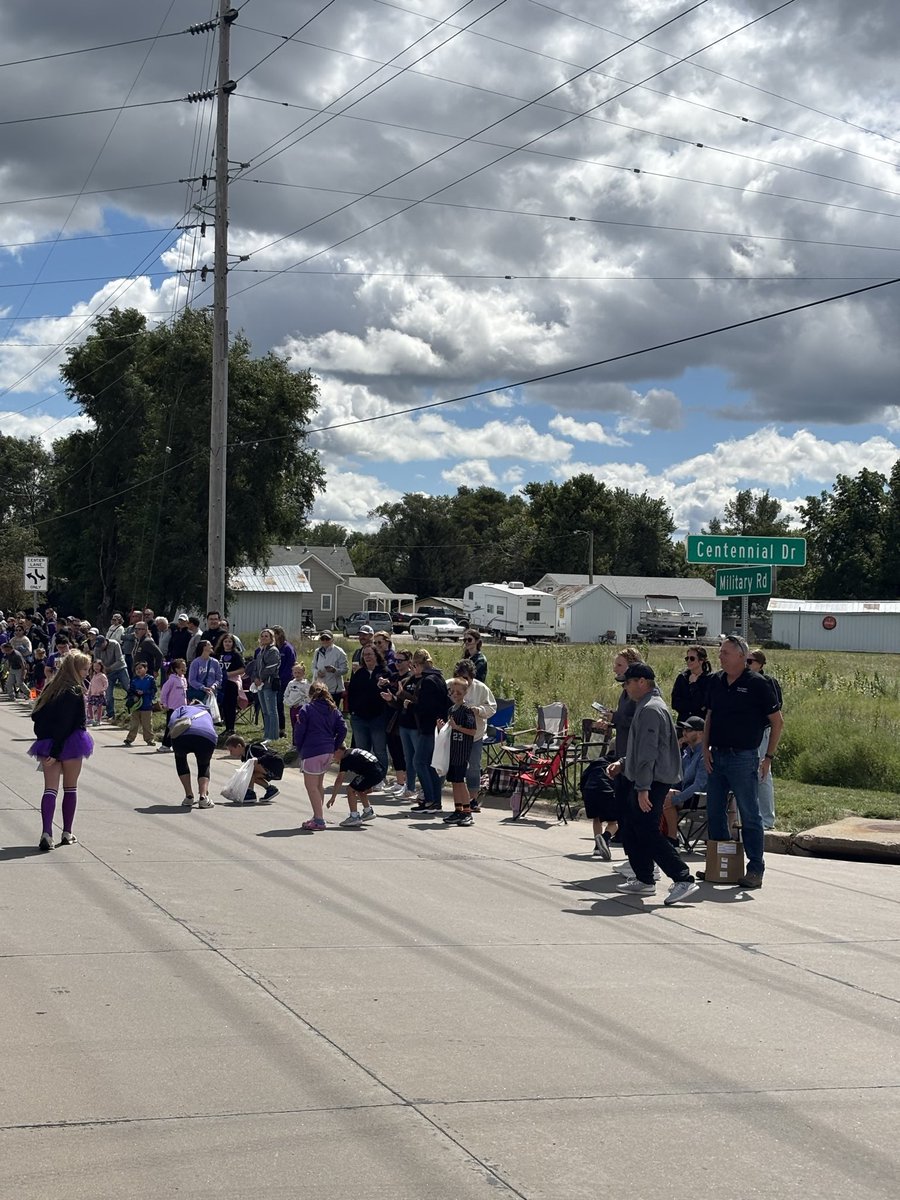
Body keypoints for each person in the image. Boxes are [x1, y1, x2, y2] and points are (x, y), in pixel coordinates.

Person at [607, 663, 700, 906]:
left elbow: (649, 753)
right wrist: (624, 763)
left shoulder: (650, 709)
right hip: (645, 778)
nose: (625, 688)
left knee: (647, 830)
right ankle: (644, 878)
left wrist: (643, 788)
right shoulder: (646, 705)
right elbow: (641, 749)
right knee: (632, 827)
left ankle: (683, 878)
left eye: (628, 682)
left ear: (642, 682)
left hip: (652, 781)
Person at [702, 634, 784, 889]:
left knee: (749, 814)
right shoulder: (715, 681)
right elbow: (709, 717)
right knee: (715, 812)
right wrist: (705, 749)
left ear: (741, 655)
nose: (720, 657)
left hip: (744, 757)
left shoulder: (758, 684)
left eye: (725, 652)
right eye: (720, 652)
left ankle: (755, 868)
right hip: (717, 755)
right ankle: (721, 864)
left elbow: (777, 722)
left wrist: (768, 757)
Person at [28, 650, 93, 851]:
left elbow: (36, 716)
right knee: (70, 788)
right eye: (84, 669)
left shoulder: (50, 688)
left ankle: (46, 833)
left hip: (47, 743)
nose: (86, 673)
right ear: (75, 669)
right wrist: (57, 750)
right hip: (71, 742)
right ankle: (67, 832)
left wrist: (46, 742)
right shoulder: (75, 691)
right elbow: (72, 723)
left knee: (50, 789)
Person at [293, 682, 348, 831]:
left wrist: (299, 747)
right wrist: (335, 744)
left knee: (311, 787)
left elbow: (299, 731)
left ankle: (319, 819)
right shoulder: (333, 709)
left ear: (310, 694)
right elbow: (343, 728)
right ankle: (317, 815)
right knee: (318, 785)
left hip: (312, 750)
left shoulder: (307, 709)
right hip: (328, 750)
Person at [451, 658, 496, 812]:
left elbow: (492, 708)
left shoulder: (481, 688)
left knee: (473, 767)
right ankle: (458, 802)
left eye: (466, 678)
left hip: (474, 735)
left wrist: (478, 710)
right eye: (459, 677)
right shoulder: (451, 685)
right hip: (456, 735)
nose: (463, 681)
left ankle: (473, 799)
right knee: (455, 767)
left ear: (472, 676)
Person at [407, 648, 449, 814]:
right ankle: (434, 801)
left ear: (418, 665)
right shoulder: (439, 678)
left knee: (419, 762)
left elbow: (426, 707)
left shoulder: (428, 681)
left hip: (429, 728)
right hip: (436, 726)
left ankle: (430, 799)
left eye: (413, 666)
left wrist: (411, 705)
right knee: (430, 765)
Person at [747, 649, 783, 831]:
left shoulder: (768, 682)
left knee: (763, 773)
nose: (747, 665)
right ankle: (745, 816)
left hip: (762, 731)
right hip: (744, 733)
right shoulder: (741, 680)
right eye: (745, 661)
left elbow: (777, 708)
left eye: (750, 661)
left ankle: (767, 819)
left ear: (760, 664)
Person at [380, 650, 419, 801]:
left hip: (407, 719)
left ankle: (409, 784)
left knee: (407, 754)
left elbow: (408, 699)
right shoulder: (394, 676)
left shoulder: (410, 678)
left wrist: (395, 694)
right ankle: (401, 782)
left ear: (409, 662)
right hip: (393, 718)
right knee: (396, 750)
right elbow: (394, 697)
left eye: (400, 661)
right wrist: (384, 686)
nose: (396, 663)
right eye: (395, 660)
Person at [346, 643, 390, 774]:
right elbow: (351, 693)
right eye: (364, 655)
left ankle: (380, 776)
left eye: (370, 654)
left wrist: (382, 685)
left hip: (378, 718)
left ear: (376, 655)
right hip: (359, 718)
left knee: (379, 750)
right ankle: (365, 776)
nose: (367, 657)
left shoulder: (385, 672)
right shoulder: (359, 673)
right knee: (362, 751)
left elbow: (389, 693)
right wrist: (352, 711)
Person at [663, 716, 708, 841]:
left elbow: (699, 785)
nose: (684, 733)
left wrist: (676, 799)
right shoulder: (686, 753)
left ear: (700, 733)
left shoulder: (705, 754)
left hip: (701, 797)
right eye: (684, 729)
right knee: (659, 792)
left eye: (689, 730)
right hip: (686, 795)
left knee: (668, 798)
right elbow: (678, 779)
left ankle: (672, 838)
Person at [441, 677, 478, 826]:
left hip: (462, 752)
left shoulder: (467, 710)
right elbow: (450, 730)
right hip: (453, 751)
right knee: (454, 781)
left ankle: (467, 811)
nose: (455, 695)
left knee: (461, 781)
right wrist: (443, 728)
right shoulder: (451, 710)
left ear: (465, 693)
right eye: (453, 692)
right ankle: (458, 809)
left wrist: (457, 727)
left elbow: (472, 731)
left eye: (459, 692)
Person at [167, 702, 217, 808]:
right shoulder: (207, 713)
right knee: (204, 765)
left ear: (191, 704)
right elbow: (211, 728)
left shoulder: (183, 708)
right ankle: (203, 797)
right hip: (207, 736)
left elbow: (172, 722)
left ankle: (189, 796)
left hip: (183, 736)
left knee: (180, 759)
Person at [327, 744, 385, 827]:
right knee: (358, 787)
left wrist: (333, 797)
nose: (332, 756)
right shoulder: (353, 751)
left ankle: (354, 817)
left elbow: (339, 780)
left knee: (350, 789)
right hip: (379, 771)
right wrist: (369, 784)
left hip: (371, 773)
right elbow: (368, 763)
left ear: (338, 751)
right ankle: (368, 811)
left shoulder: (346, 759)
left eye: (333, 753)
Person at [223, 734, 284, 804]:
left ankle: (250, 793)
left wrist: (258, 760)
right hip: (268, 769)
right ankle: (270, 789)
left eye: (231, 750)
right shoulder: (245, 756)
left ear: (239, 746)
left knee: (249, 769)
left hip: (275, 766)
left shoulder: (253, 748)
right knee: (251, 774)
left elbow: (270, 754)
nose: (230, 753)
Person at [249, 628, 282, 741]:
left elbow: (271, 667)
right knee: (265, 711)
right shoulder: (260, 651)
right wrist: (255, 678)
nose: (264, 638)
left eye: (266, 636)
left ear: (271, 638)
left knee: (272, 711)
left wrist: (261, 678)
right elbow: (255, 667)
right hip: (260, 685)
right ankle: (266, 735)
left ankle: (273, 736)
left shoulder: (273, 651)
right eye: (262, 636)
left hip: (269, 684)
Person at [671, 645, 713, 724]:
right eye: (687, 658)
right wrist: (692, 706)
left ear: (701, 660)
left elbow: (703, 703)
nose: (688, 661)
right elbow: (675, 703)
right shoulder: (682, 678)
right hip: (683, 722)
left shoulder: (709, 679)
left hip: (700, 723)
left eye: (692, 658)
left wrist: (693, 685)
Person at [215, 634, 245, 735]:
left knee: (231, 705)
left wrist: (228, 674)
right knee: (223, 705)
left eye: (229, 642)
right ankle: (226, 727)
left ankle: (231, 728)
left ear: (233, 643)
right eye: (225, 641)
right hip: (220, 683)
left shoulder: (236, 655)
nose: (227, 644)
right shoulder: (218, 654)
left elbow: (242, 669)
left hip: (232, 682)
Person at [94, 634, 129, 721]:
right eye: (98, 646)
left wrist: (109, 668)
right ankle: (110, 714)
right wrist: (102, 669)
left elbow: (120, 660)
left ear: (105, 641)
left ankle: (134, 707)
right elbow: (96, 661)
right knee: (108, 694)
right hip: (107, 673)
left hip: (120, 669)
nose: (100, 647)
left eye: (101, 645)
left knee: (128, 687)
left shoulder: (115, 644)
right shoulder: (96, 648)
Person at [158, 658, 188, 752]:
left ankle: (177, 745)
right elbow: (164, 692)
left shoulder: (184, 680)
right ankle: (165, 745)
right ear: (176, 669)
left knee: (181, 727)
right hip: (172, 708)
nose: (184, 669)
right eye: (182, 668)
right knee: (170, 727)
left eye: (185, 667)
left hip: (182, 708)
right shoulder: (172, 680)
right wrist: (164, 703)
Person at [123, 661, 157, 746]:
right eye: (136, 669)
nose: (138, 670)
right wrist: (134, 696)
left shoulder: (150, 679)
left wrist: (144, 692)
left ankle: (149, 739)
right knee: (134, 724)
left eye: (140, 668)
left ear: (146, 669)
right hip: (136, 706)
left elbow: (154, 690)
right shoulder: (134, 680)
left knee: (147, 724)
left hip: (147, 705)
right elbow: (130, 691)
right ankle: (130, 739)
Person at [271, 625, 296, 738]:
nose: (273, 636)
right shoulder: (274, 648)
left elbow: (290, 666)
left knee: (279, 703)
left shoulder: (287, 648)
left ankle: (282, 729)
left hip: (283, 680)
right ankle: (273, 727)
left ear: (280, 634)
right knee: (274, 705)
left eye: (274, 634)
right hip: (272, 679)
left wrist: (281, 678)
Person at [312, 630, 348, 707]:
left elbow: (345, 670)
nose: (325, 641)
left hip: (334, 690)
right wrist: (317, 672)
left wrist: (334, 670)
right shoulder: (317, 652)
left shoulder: (339, 652)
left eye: (327, 639)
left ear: (332, 640)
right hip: (320, 688)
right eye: (323, 639)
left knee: (332, 711)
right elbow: (313, 667)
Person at [187, 639, 222, 707]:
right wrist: (203, 688)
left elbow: (219, 678)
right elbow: (192, 680)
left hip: (212, 694)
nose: (212, 646)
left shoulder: (215, 662)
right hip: (199, 695)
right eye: (209, 644)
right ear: (204, 647)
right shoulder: (195, 662)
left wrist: (214, 686)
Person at [283, 662, 310, 729]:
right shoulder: (291, 683)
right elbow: (286, 695)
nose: (297, 674)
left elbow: (308, 698)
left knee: (301, 725)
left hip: (301, 708)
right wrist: (289, 703)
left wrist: (300, 704)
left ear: (303, 673)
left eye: (299, 673)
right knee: (293, 724)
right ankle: (294, 735)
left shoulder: (306, 684)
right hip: (292, 708)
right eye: (295, 673)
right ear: (292, 673)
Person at [86, 660, 109, 726]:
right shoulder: (94, 675)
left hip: (99, 694)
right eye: (94, 666)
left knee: (99, 707)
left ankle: (99, 720)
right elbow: (91, 685)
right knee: (89, 706)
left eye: (98, 666)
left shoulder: (102, 675)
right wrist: (89, 692)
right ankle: (91, 719)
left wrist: (103, 690)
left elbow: (106, 684)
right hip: (93, 694)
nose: (96, 667)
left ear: (101, 667)